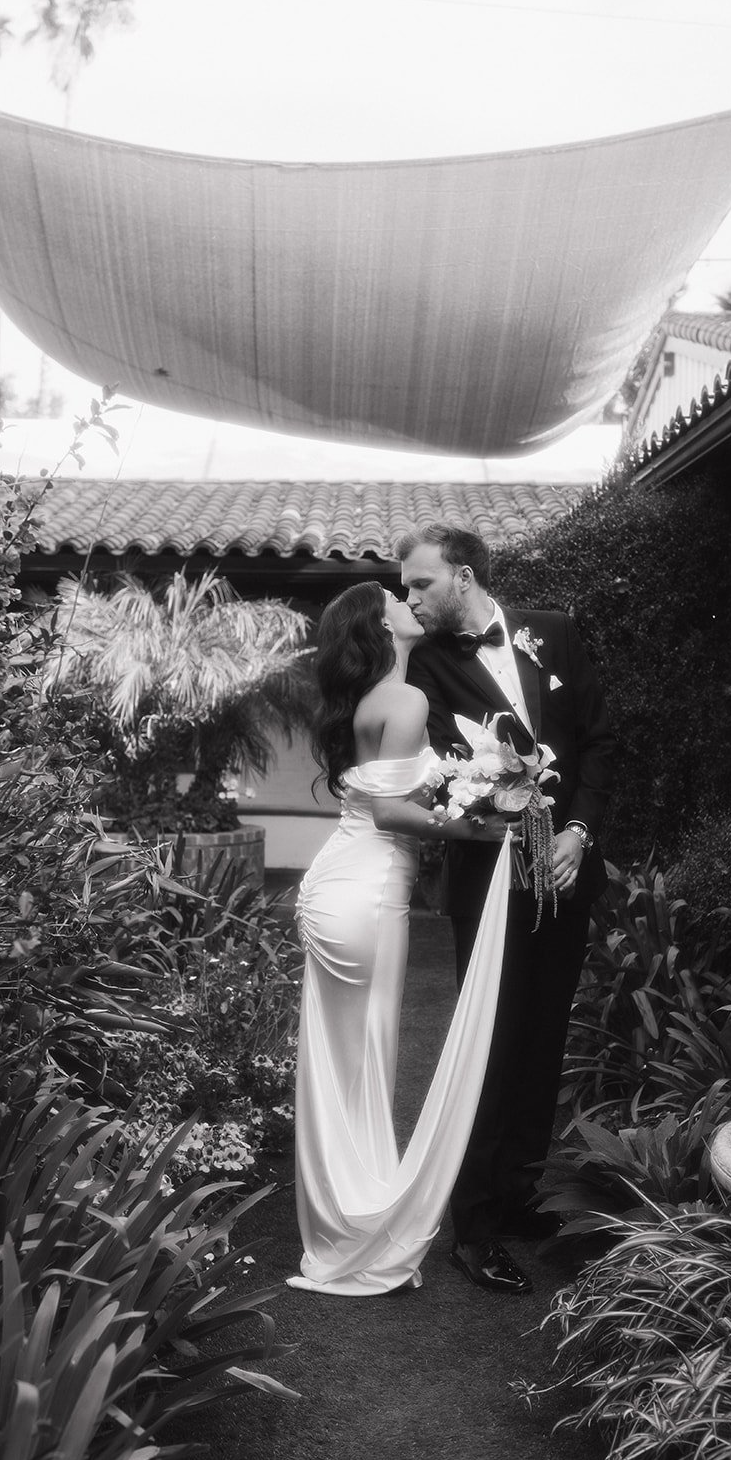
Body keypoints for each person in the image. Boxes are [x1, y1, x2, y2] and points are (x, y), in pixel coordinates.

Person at [399, 523, 617, 1294]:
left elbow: (599, 740)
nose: (409, 598)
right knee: (488, 1045)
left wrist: (578, 833)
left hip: (565, 873)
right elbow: (436, 770)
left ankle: (519, 1194)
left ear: (462, 576)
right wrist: (494, 795)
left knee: (542, 1037)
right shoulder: (423, 664)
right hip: (489, 879)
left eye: (420, 583)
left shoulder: (553, 632)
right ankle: (474, 1226)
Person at [288, 581, 508, 1296]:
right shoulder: (405, 699)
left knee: (345, 1063)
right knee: (365, 1059)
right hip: (368, 890)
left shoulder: (375, 699)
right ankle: (360, 1233)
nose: (409, 599)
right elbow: (389, 813)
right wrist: (479, 827)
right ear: (379, 627)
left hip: (340, 886)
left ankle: (349, 1226)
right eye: (394, 597)